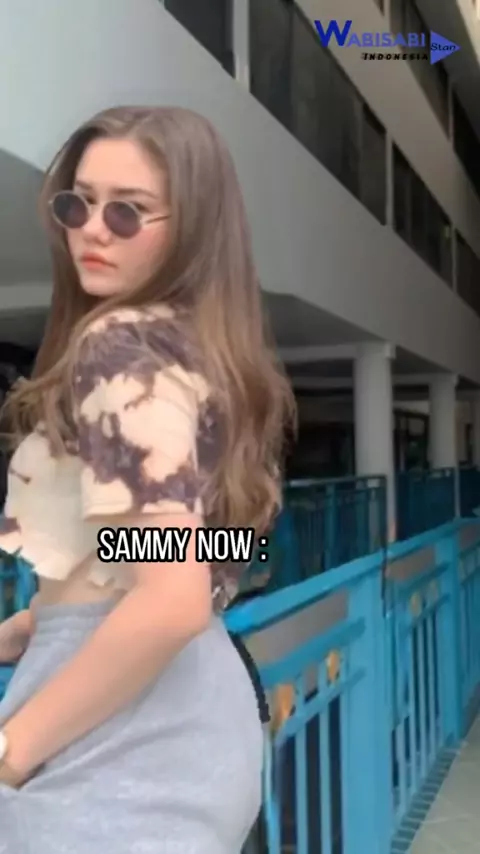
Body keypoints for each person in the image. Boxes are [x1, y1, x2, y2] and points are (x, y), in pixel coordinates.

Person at [0, 106, 295, 853]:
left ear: (192, 227)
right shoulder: (202, 353)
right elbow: (208, 553)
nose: (93, 230)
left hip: (118, 742)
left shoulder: (119, 345)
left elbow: (170, 599)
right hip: (192, 718)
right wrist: (39, 625)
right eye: (78, 204)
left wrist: (11, 751)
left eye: (127, 212)